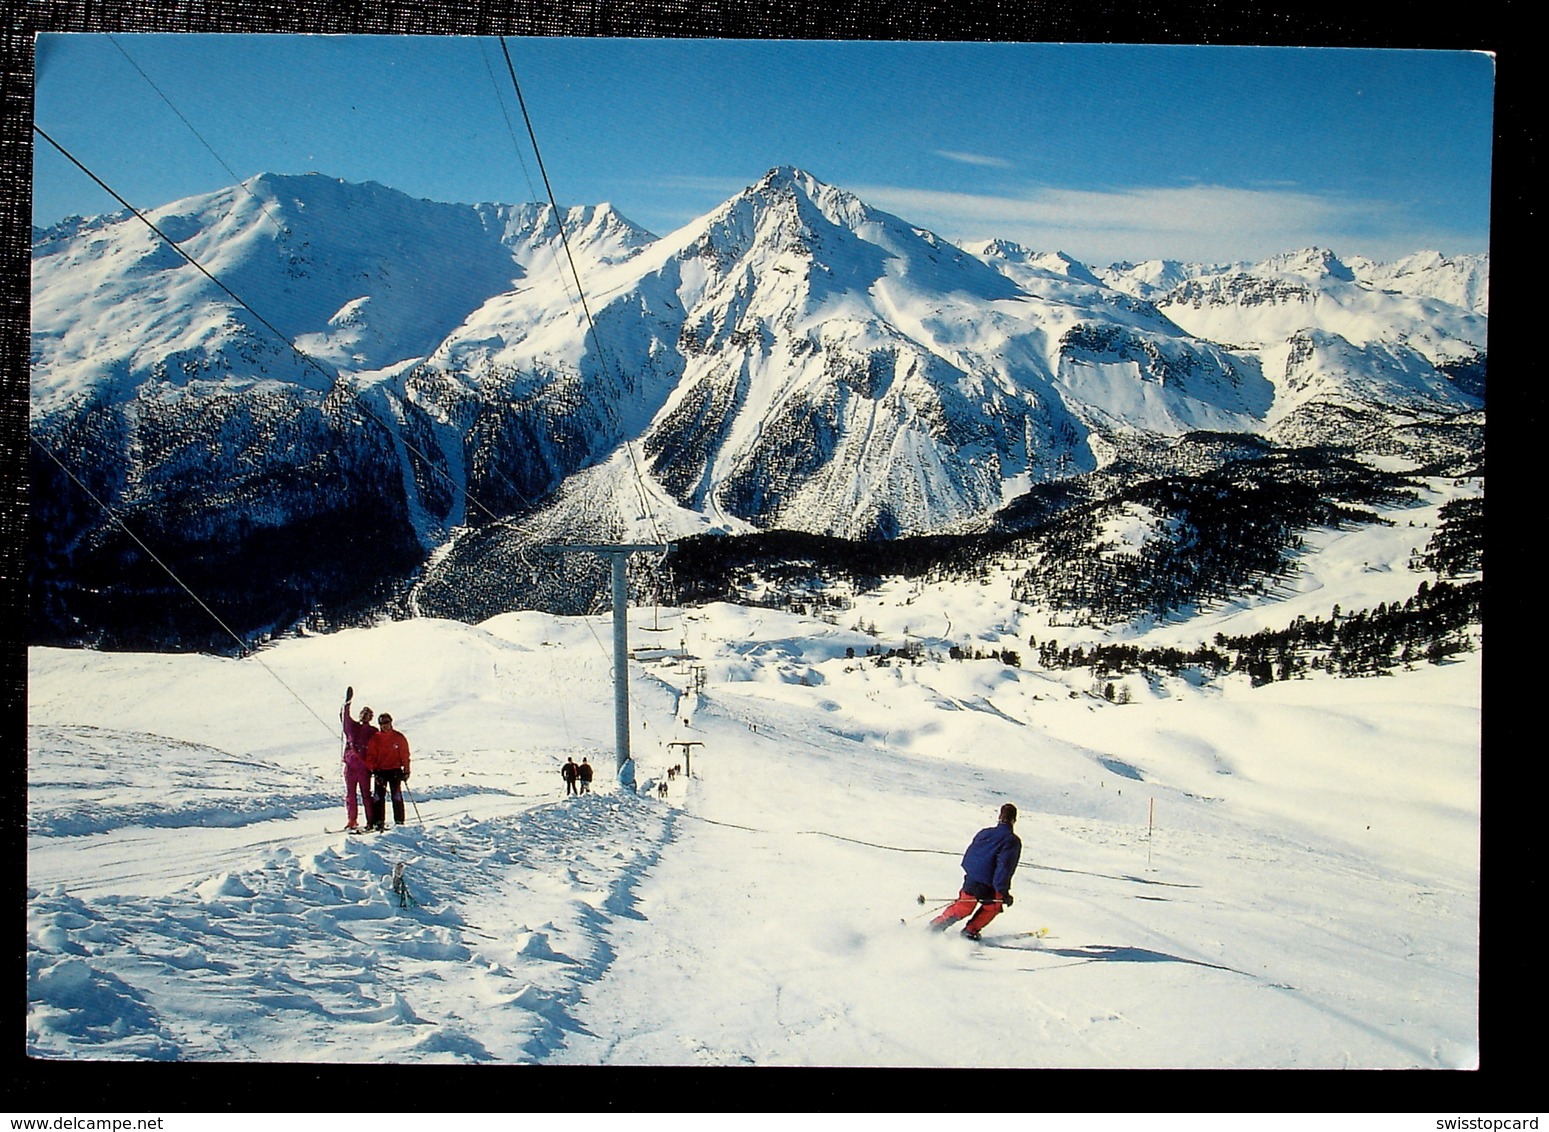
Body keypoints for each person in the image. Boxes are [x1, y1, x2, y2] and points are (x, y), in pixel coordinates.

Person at [931, 803, 1022, 940]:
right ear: (1014, 820)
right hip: (988, 885)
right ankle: (970, 931)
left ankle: (936, 926)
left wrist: (971, 873)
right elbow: (1004, 867)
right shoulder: (1012, 841)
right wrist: (1003, 893)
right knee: (993, 907)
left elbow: (971, 853)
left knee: (963, 906)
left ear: (999, 817)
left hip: (972, 879)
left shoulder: (985, 833)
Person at [340, 686, 378, 833]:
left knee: (366, 795)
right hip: (350, 767)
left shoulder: (373, 732)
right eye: (364, 713)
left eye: (369, 714)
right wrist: (347, 703)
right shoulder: (352, 727)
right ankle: (352, 820)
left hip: (364, 768)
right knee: (350, 794)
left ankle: (370, 821)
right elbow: (345, 717)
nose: (365, 716)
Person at [365, 712, 412, 830]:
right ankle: (378, 822)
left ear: (391, 722)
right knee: (378, 798)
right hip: (380, 771)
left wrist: (406, 771)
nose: (384, 725)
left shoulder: (399, 737)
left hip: (395, 771)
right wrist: (373, 769)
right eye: (382, 723)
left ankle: (399, 821)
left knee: (396, 796)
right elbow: (370, 756)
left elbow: (405, 755)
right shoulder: (375, 738)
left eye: (386, 722)